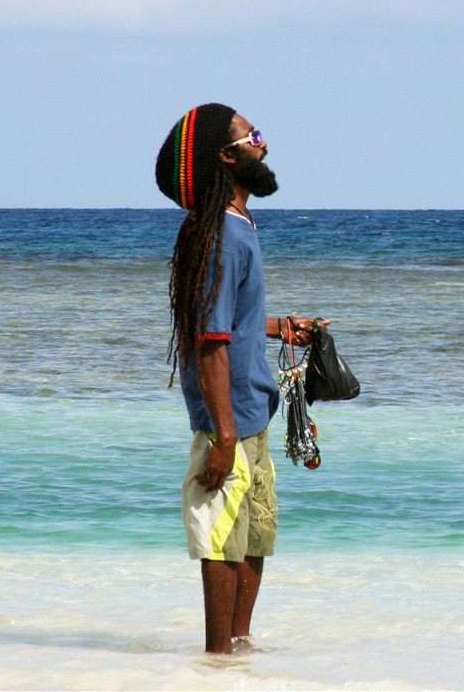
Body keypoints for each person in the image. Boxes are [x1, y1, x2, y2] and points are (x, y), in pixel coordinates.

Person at [154, 103, 325, 654]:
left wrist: (278, 327)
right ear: (227, 156)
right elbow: (209, 341)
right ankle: (217, 661)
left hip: (250, 415)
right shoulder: (221, 235)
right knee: (223, 545)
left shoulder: (235, 225)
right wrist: (223, 436)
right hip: (227, 422)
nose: (265, 144)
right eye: (254, 135)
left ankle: (239, 652)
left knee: (254, 538)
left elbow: (227, 320)